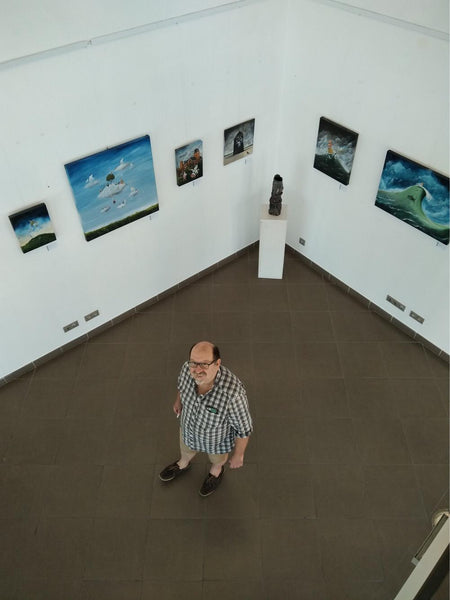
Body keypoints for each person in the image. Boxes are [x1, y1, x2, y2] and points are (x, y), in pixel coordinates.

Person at [159, 341, 253, 497]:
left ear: (217, 364)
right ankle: (183, 463)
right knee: (186, 449)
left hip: (216, 440)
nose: (196, 370)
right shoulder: (186, 368)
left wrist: (239, 455)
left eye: (204, 364)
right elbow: (181, 386)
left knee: (217, 460)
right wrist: (178, 401)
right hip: (188, 428)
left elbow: (243, 429)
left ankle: (216, 471)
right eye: (193, 363)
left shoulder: (233, 394)